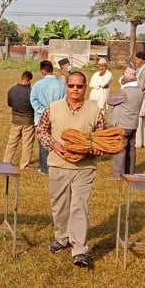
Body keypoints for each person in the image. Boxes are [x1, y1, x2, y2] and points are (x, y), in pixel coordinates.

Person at [36, 71, 106, 268]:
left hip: (84, 167)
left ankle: (79, 249)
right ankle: (61, 237)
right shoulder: (53, 108)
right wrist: (53, 145)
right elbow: (41, 129)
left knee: (79, 207)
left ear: (85, 88)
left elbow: (102, 138)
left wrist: (93, 149)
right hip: (58, 164)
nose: (75, 89)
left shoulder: (95, 111)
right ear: (66, 86)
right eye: (72, 86)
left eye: (80, 86)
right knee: (59, 205)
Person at [107, 67, 144, 178]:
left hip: (122, 124)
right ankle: (130, 171)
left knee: (120, 149)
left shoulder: (124, 92)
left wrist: (121, 87)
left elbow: (110, 100)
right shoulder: (139, 91)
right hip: (133, 123)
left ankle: (118, 174)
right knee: (131, 149)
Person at [30, 60, 66, 175]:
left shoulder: (37, 85)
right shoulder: (61, 85)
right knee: (57, 141)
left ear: (43, 71)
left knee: (43, 143)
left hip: (41, 118)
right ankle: (57, 165)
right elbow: (65, 101)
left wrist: (44, 111)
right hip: (58, 116)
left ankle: (45, 168)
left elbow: (33, 101)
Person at [3, 70, 35, 170]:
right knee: (27, 144)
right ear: (30, 81)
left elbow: (9, 103)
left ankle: (6, 162)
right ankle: (24, 165)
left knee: (12, 142)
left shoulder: (12, 90)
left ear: (22, 78)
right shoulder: (32, 92)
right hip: (28, 122)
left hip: (15, 120)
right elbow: (34, 106)